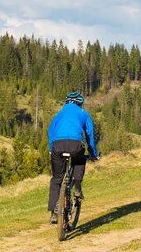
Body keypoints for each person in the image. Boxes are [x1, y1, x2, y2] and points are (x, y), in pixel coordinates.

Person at [47, 91, 99, 225]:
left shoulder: (58, 114)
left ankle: (54, 212)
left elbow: (51, 131)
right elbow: (90, 135)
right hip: (75, 144)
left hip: (57, 145)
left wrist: (51, 148)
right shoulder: (84, 114)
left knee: (57, 178)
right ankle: (77, 187)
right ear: (80, 103)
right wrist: (93, 154)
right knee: (80, 160)